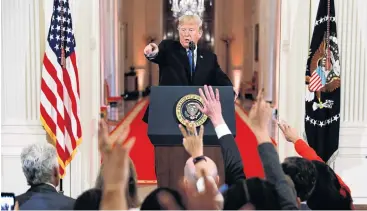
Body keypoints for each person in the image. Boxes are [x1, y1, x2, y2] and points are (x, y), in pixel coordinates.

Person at [142, 14, 235, 123]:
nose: (186, 34)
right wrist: (151, 51)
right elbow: (157, 53)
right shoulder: (168, 48)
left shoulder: (209, 57)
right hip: (169, 111)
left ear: (199, 33)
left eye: (191, 30)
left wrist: (230, 89)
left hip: (198, 114)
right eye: (183, 30)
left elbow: (219, 76)